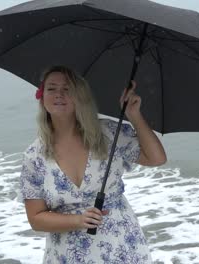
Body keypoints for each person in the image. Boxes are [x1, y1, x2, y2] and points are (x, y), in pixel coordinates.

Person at [19, 65, 167, 263]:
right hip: (67, 254)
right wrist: (78, 220)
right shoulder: (35, 155)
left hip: (120, 245)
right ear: (42, 96)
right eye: (51, 88)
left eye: (67, 89)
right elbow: (36, 218)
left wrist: (134, 116)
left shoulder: (107, 134)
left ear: (80, 96)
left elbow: (156, 158)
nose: (58, 94)